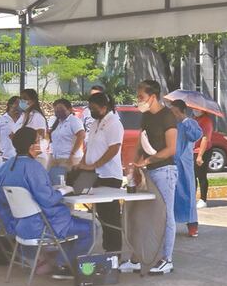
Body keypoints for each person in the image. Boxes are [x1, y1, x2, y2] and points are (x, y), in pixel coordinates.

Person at [0, 127, 94, 279]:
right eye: (38, 141)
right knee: (91, 228)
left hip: (19, 223)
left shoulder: (8, 165)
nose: (42, 143)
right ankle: (63, 265)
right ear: (31, 146)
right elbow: (47, 200)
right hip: (43, 224)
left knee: (73, 227)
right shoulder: (33, 166)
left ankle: (57, 261)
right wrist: (62, 191)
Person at [131, 80, 179, 275]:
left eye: (141, 97)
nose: (138, 101)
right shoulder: (146, 117)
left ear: (153, 97)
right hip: (148, 171)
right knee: (143, 215)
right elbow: (140, 143)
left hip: (164, 171)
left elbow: (171, 149)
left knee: (166, 215)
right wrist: (135, 164)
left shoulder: (167, 116)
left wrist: (148, 161)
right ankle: (138, 258)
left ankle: (167, 259)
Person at [74, 91, 124, 253]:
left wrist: (95, 164)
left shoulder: (114, 123)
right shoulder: (95, 123)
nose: (91, 111)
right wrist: (83, 163)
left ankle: (114, 250)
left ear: (104, 107)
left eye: (94, 108)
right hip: (93, 173)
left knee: (110, 215)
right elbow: (91, 146)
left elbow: (114, 148)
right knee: (100, 213)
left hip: (109, 175)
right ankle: (107, 247)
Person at [169, 99, 203, 238]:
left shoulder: (190, 123)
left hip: (185, 163)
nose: (173, 114)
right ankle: (170, 223)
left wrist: (184, 121)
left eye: (175, 112)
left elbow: (196, 135)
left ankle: (192, 225)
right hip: (172, 162)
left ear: (182, 111)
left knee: (187, 193)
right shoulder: (172, 124)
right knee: (172, 194)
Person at [47, 98, 85, 186]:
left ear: (69, 109)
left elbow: (81, 135)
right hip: (55, 157)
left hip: (68, 158)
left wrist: (72, 154)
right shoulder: (56, 122)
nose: (58, 112)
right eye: (56, 110)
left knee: (67, 185)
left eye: (61, 109)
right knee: (53, 183)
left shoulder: (74, 121)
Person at [0, 96, 21, 162]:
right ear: (10, 105)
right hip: (4, 158)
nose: (19, 106)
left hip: (19, 158)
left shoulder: (23, 120)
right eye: (17, 103)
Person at [193, 109, 214, 208]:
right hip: (193, 150)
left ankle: (203, 199)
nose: (194, 110)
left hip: (203, 151)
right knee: (192, 176)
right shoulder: (195, 119)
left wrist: (200, 156)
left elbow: (205, 138)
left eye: (197, 109)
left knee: (201, 175)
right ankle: (192, 198)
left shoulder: (206, 121)